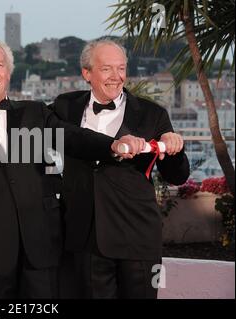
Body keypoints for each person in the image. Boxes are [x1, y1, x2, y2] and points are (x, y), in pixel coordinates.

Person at [0, 38, 142, 299]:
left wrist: (113, 145)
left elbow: (72, 136)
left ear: (8, 72)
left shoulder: (35, 112)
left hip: (43, 247)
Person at [51, 39, 190, 298]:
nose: (116, 77)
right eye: (106, 69)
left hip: (138, 238)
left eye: (121, 68)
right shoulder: (65, 106)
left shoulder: (153, 113)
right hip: (84, 240)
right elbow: (48, 132)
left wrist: (174, 149)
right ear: (87, 73)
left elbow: (177, 175)